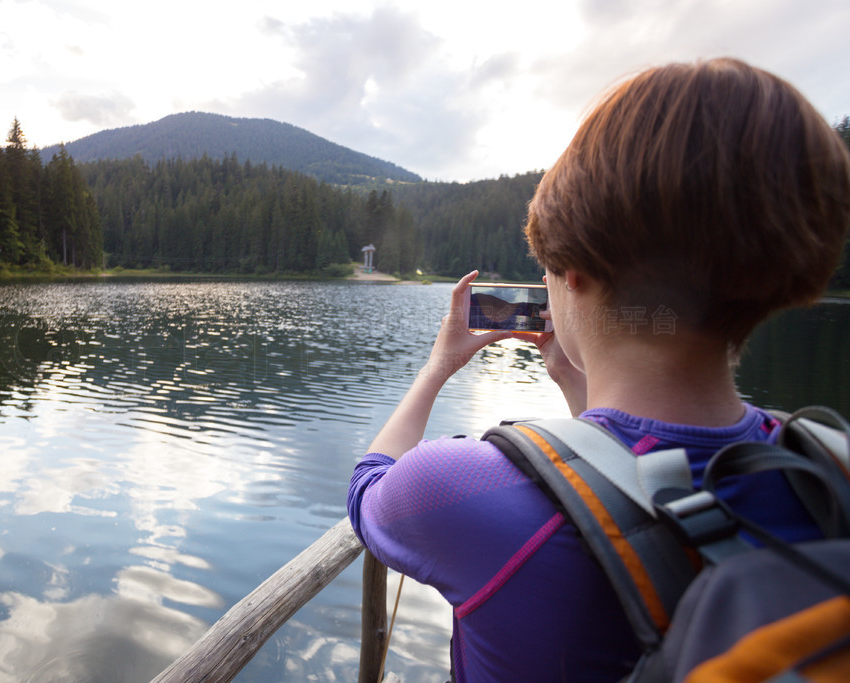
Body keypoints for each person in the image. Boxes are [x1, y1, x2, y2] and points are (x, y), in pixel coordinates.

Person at [347, 58, 850, 682]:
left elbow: (368, 489)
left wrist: (437, 368)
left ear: (574, 274)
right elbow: (645, 463)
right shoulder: (829, 468)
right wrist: (575, 385)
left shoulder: (462, 488)